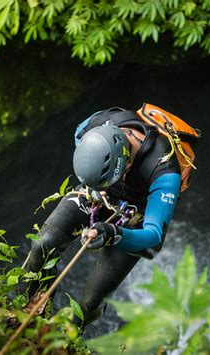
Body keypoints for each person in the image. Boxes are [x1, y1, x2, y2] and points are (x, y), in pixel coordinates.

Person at [18, 106, 185, 328]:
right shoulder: (100, 121)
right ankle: (28, 317)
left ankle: (67, 341)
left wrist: (113, 234)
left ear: (126, 164)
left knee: (91, 301)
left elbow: (154, 235)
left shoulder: (164, 170)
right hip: (96, 193)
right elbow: (79, 133)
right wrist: (94, 184)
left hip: (135, 219)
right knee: (42, 245)